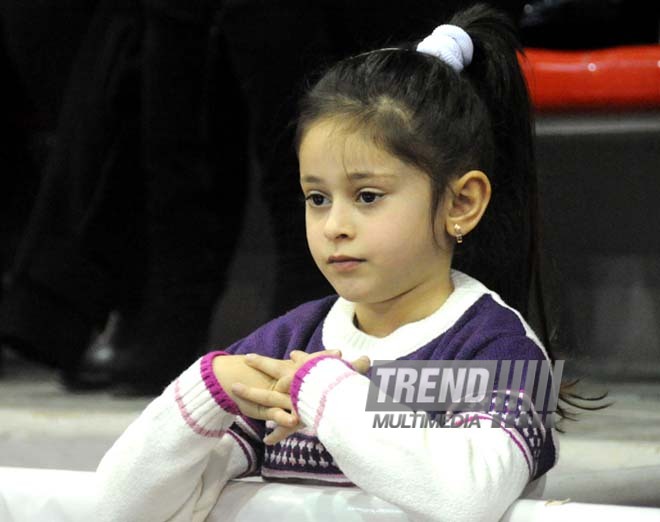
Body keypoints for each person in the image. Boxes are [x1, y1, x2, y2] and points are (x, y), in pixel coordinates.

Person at [94, 4, 562, 520]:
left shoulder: (501, 350)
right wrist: (206, 391)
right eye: (317, 198)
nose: (334, 224)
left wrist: (324, 392)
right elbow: (120, 508)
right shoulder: (288, 342)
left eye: (367, 196)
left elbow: (465, 497)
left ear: (460, 203)